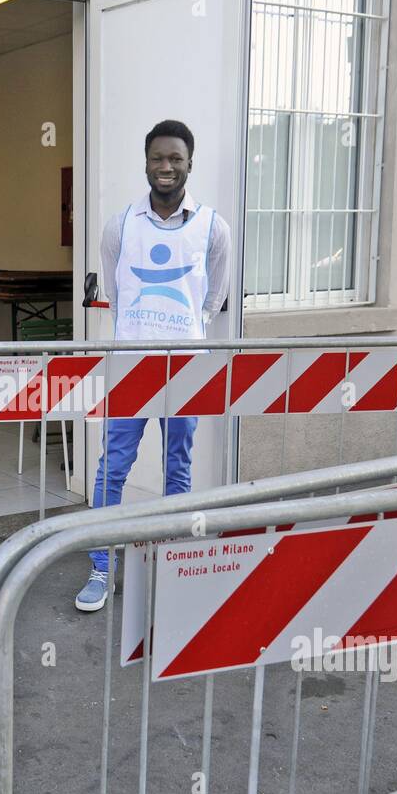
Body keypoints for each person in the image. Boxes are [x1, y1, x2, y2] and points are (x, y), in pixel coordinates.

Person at [75, 119, 231, 612]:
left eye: (176, 159)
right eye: (158, 158)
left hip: (185, 367)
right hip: (131, 366)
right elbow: (119, 296)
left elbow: (213, 299)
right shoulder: (120, 225)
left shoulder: (213, 227)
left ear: (190, 163)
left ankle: (175, 566)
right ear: (146, 162)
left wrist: (184, 331)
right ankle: (103, 567)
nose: (166, 167)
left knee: (177, 468)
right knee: (112, 468)